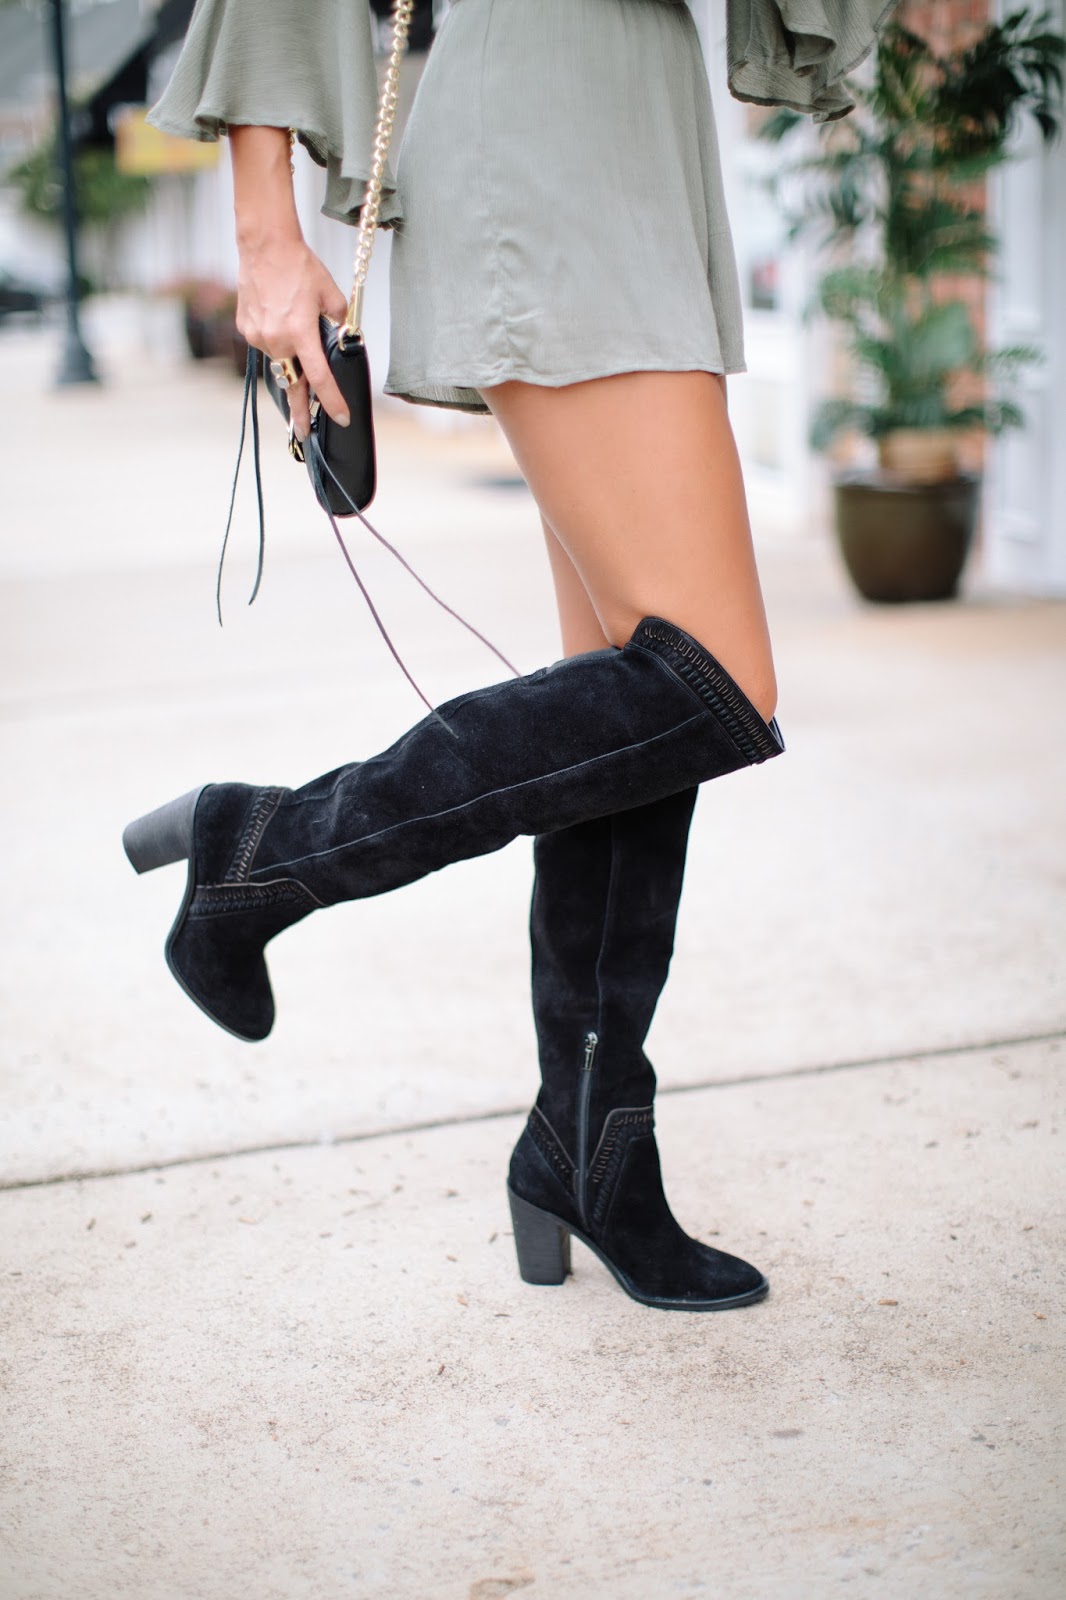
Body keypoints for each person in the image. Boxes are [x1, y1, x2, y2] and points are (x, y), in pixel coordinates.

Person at [130, 0, 895, 1311]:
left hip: (636, 118)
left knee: (632, 689)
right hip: (548, 123)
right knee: (712, 681)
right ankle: (262, 853)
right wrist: (267, 235)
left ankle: (587, 1152)